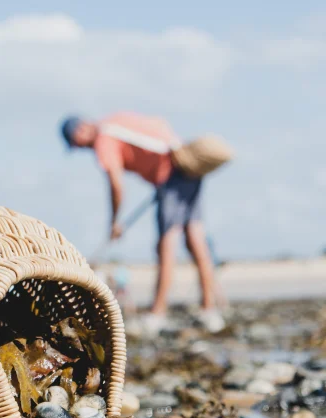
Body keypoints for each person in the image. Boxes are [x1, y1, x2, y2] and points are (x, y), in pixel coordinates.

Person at [61, 111, 225, 333]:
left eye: (75, 143)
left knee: (166, 244)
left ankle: (157, 314)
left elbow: (117, 186)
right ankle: (209, 310)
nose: (80, 149)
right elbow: (159, 123)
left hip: (172, 175)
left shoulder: (104, 139)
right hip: (185, 169)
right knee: (195, 240)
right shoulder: (114, 120)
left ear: (80, 130)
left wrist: (115, 222)